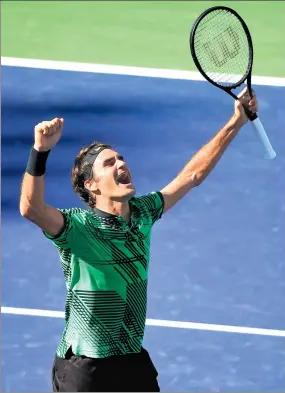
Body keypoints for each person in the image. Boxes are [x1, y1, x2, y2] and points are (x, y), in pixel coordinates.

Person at [19, 88, 258, 392]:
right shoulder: (78, 227)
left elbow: (192, 175)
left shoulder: (143, 212)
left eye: (121, 158)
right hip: (85, 367)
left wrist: (236, 121)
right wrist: (40, 152)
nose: (121, 164)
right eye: (109, 163)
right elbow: (31, 208)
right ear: (91, 185)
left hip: (131, 360)